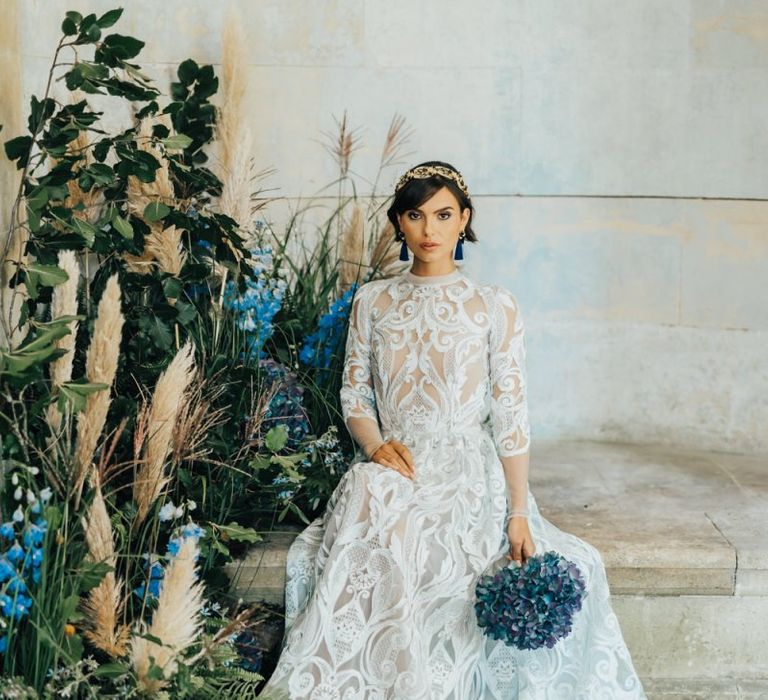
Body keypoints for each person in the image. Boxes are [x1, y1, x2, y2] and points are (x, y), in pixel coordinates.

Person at [258, 161, 647, 699]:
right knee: (375, 496)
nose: (429, 230)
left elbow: (511, 413)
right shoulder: (373, 300)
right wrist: (373, 446)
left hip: (466, 467)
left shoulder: (493, 305)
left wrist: (516, 512)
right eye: (415, 216)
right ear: (399, 223)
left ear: (464, 220)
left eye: (443, 215)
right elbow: (355, 394)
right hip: (393, 458)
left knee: (445, 552)